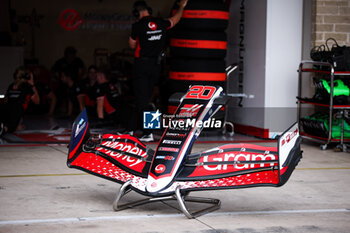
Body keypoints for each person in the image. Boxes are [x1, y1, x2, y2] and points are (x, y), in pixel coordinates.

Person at [129, 0, 188, 142]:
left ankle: (147, 132)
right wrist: (181, 7)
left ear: (137, 13)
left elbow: (131, 45)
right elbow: (175, 20)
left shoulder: (137, 26)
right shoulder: (161, 22)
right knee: (148, 98)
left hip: (141, 66)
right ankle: (139, 128)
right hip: (156, 66)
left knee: (142, 99)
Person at [0, 67, 40, 136]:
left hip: (5, 111)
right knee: (9, 128)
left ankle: (9, 126)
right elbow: (37, 101)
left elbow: (6, 100)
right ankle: (5, 128)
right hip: (15, 112)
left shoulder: (11, 85)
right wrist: (32, 83)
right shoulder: (27, 86)